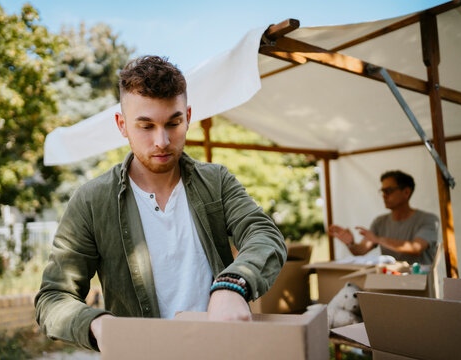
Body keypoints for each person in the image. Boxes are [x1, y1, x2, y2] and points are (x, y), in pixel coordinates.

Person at [35, 56, 287, 351]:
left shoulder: (217, 181)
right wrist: (99, 325)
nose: (162, 141)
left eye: (173, 123)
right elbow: (52, 297)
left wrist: (233, 284)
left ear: (188, 117)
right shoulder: (91, 200)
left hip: (222, 352)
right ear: (122, 125)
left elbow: (264, 235)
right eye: (146, 126)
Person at [329, 170, 439, 265]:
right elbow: (361, 250)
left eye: (388, 191)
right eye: (382, 191)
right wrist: (350, 243)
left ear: (406, 192)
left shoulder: (428, 219)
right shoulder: (380, 222)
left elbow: (416, 248)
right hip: (389, 284)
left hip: (422, 285)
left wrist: (378, 239)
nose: (384, 195)